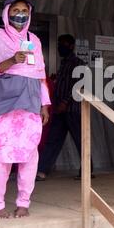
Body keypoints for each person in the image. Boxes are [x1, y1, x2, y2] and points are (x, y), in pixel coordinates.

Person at [0, 0, 51, 219]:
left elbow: (40, 75)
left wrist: (45, 104)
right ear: (7, 12)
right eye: (16, 10)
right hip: (4, 104)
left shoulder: (34, 40)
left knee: (29, 155)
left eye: (25, 11)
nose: (20, 14)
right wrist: (11, 60)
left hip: (29, 104)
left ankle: (23, 203)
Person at [36, 34, 91, 181]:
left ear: (71, 46)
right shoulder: (63, 64)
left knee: (81, 140)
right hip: (59, 110)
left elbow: (78, 85)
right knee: (53, 140)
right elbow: (64, 84)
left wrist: (65, 102)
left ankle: (87, 171)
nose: (60, 47)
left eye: (63, 44)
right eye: (59, 44)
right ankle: (42, 170)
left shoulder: (78, 63)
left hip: (72, 109)